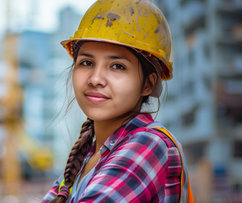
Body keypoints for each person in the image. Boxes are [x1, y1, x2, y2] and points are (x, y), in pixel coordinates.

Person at [42, 0, 194, 202]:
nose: (95, 79)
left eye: (117, 66)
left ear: (148, 84)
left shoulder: (149, 144)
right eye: (86, 63)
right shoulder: (86, 157)